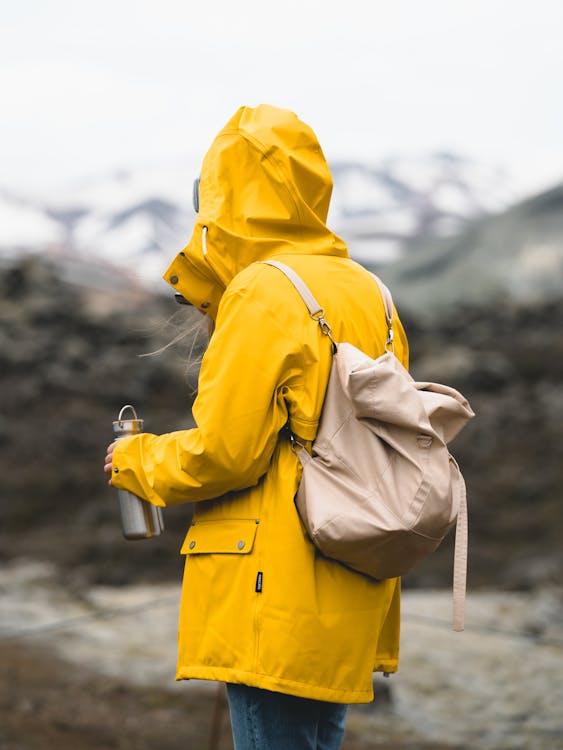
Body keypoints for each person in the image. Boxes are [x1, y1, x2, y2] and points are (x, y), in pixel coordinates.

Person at [104, 104, 409, 750]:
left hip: (275, 583)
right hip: (355, 570)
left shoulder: (263, 292)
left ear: (225, 194)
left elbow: (224, 452)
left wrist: (137, 461)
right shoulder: (368, 291)